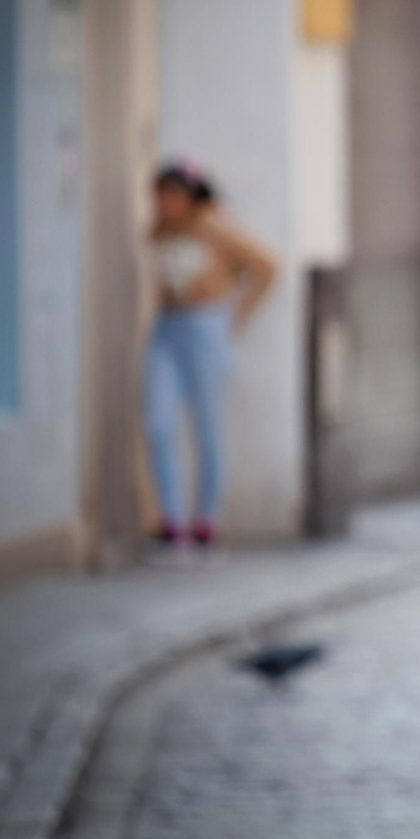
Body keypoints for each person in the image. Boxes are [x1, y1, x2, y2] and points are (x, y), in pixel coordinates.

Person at [143, 160, 277, 549]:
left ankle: (206, 519)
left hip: (206, 327)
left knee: (207, 425)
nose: (165, 202)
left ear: (190, 196)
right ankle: (171, 519)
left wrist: (236, 317)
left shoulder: (216, 226)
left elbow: (268, 265)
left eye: (173, 194)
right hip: (167, 327)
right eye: (160, 194)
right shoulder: (159, 229)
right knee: (159, 422)